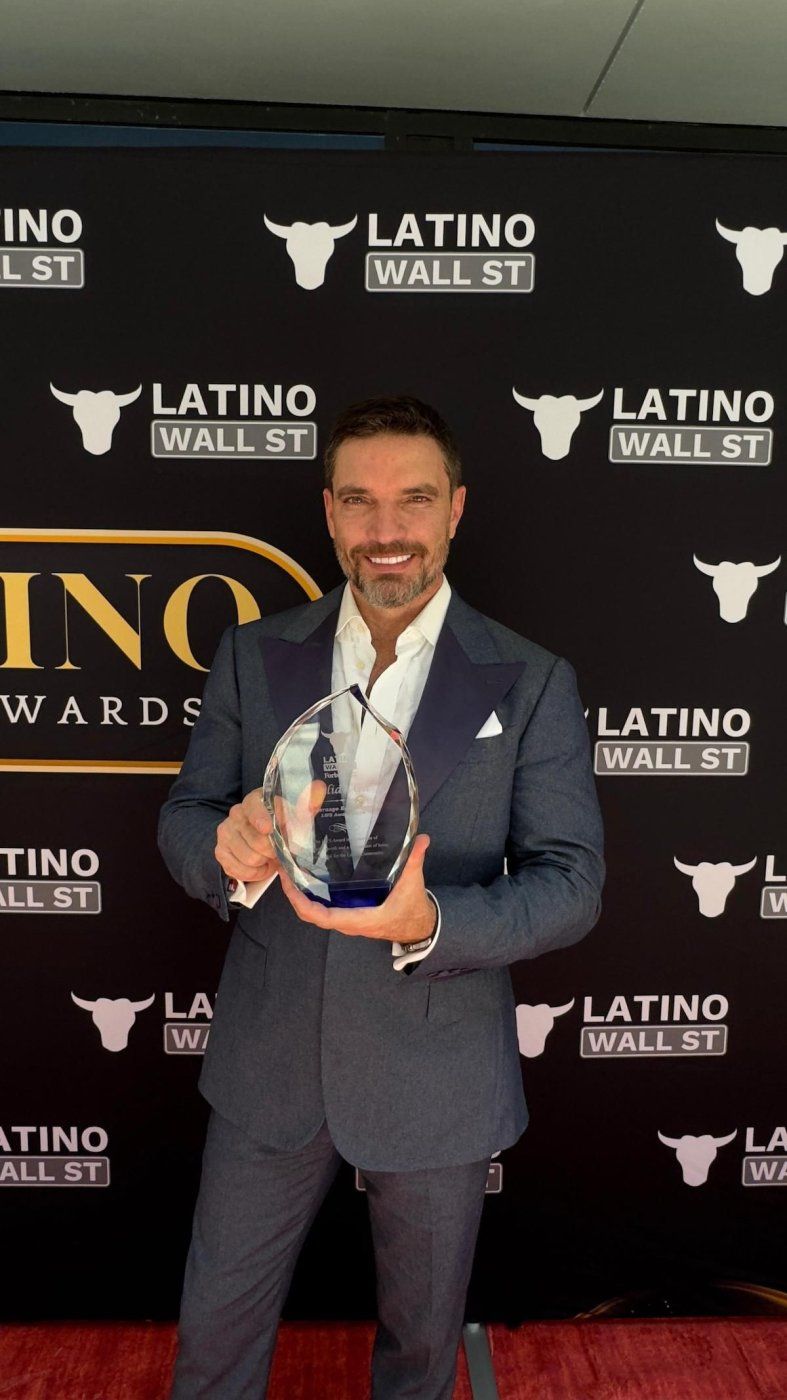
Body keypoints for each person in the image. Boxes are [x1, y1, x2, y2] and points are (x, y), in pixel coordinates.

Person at [158, 395, 604, 1399]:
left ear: (455, 508)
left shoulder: (530, 680)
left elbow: (571, 883)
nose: (385, 529)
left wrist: (431, 920)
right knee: (214, 1340)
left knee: (418, 1352)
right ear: (327, 512)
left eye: (412, 499)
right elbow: (186, 813)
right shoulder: (252, 652)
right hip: (267, 1065)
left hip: (437, 1075)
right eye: (359, 500)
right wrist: (229, 851)